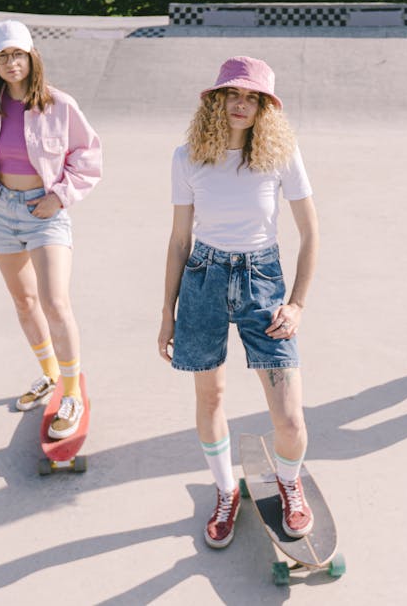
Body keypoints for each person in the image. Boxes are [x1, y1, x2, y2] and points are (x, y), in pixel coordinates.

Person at [159, 56, 320, 550]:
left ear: (265, 108)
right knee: (211, 398)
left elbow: (311, 233)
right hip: (203, 280)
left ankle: (289, 482)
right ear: (216, 99)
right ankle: (227, 490)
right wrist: (167, 312)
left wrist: (296, 305)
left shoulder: (281, 155)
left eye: (252, 98)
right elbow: (179, 239)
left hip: (262, 282)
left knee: (289, 417)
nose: (241, 104)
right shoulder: (187, 158)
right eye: (233, 94)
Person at [0, 20, 101, 437]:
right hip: (1, 211)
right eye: (3, 55)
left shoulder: (59, 104)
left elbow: (89, 155)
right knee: (24, 301)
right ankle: (48, 374)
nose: (12, 63)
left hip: (46, 213)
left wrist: (59, 196)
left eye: (18, 54)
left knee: (54, 301)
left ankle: (72, 392)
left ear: (31, 56)